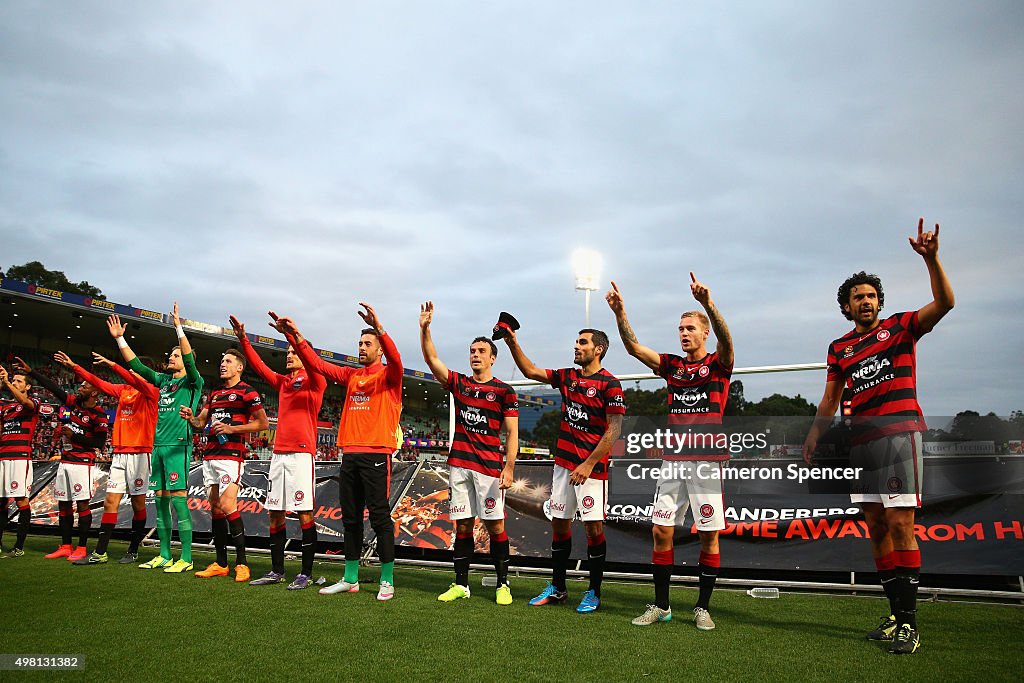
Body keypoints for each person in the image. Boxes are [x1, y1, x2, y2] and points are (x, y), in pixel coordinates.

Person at [803, 219, 954, 655]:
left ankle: (910, 624)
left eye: (871, 296)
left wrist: (931, 258)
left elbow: (945, 302)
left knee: (902, 523)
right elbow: (830, 397)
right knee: (875, 526)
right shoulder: (839, 348)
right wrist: (815, 435)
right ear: (846, 308)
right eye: (857, 298)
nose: (865, 302)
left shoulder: (903, 327)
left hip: (900, 435)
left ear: (880, 303)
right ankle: (894, 615)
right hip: (862, 443)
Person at [607, 273, 734, 631]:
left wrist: (708, 304)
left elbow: (728, 340)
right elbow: (634, 348)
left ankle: (703, 608)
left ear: (704, 333)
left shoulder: (718, 364)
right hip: (673, 461)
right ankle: (662, 606)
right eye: (680, 328)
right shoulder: (672, 367)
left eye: (690, 328)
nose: (683, 333)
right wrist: (620, 313)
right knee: (661, 531)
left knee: (708, 535)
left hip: (707, 462)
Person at [274, 304, 402, 601]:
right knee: (351, 520)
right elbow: (317, 365)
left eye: (368, 343)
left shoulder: (389, 377)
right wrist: (296, 336)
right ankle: (350, 578)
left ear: (380, 349)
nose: (361, 347)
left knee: (380, 518)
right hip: (350, 456)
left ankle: (387, 580)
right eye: (359, 342)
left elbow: (397, 359)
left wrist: (380, 328)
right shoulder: (351, 375)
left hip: (376, 455)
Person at [502, 323, 625, 614]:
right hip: (563, 468)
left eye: (582, 343)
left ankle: (594, 592)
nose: (576, 346)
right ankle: (558, 588)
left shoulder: (611, 384)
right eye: (576, 341)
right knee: (559, 523)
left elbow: (615, 429)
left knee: (594, 528)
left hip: (592, 471)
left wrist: (589, 462)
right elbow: (531, 371)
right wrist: (511, 343)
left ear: (598, 349)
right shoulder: (567, 377)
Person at [419, 301, 519, 605]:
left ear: (492, 358)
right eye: (472, 352)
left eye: (480, 352)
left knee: (494, 525)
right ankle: (461, 584)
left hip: (489, 468)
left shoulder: (504, 392)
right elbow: (433, 359)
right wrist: (425, 328)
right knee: (462, 525)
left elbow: (512, 432)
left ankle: (503, 584)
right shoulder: (460, 383)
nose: (475, 356)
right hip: (459, 466)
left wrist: (510, 468)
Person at [230, 313, 327, 590]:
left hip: (301, 455)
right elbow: (260, 367)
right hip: (279, 454)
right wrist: (243, 340)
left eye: (293, 352)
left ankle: (306, 573)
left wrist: (293, 337)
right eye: (286, 352)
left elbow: (310, 359)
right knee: (275, 512)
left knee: (305, 513)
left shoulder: (315, 380)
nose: (288, 355)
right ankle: (277, 570)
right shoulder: (284, 383)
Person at [110, 305, 204, 573]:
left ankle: (186, 557)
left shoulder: (193, 382)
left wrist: (178, 328)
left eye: (176, 355)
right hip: (158, 447)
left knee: (177, 499)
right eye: (171, 354)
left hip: (178, 447)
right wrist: (120, 338)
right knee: (160, 499)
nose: (171, 357)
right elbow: (136, 365)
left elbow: (190, 360)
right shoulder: (163, 381)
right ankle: (164, 554)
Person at [53, 351, 159, 565]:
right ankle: (101, 551)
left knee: (138, 502)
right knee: (111, 501)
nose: (130, 374)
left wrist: (112, 364)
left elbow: (130, 379)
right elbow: (98, 383)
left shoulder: (151, 391)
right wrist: (75, 366)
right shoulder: (124, 390)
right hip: (119, 453)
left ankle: (133, 548)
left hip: (140, 453)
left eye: (134, 370)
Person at [180, 348, 268, 583]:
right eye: (221, 360)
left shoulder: (247, 392)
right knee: (216, 509)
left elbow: (262, 423)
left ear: (239, 367)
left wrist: (232, 429)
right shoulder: (215, 392)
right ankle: (220, 563)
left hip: (231, 458)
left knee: (228, 504)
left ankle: (242, 563)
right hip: (210, 456)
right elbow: (201, 421)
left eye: (228, 361)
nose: (223, 364)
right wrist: (192, 417)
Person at [15, 355, 109, 562]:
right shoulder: (74, 403)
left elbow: (100, 443)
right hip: (65, 462)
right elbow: (53, 388)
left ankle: (82, 548)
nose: (79, 389)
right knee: (63, 505)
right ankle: (66, 545)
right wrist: (31, 372)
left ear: (93, 392)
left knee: (82, 505)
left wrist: (73, 435)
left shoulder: (99, 414)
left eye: (84, 386)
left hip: (82, 463)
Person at [0, 364, 41, 558]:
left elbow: (24, 402)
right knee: (1, 502)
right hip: (3, 457)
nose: (15, 383)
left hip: (20, 458)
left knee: (21, 500)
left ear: (27, 386)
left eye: (19, 381)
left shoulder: (32, 403)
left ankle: (19, 546)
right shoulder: (5, 407)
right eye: (13, 380)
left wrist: (7, 382)